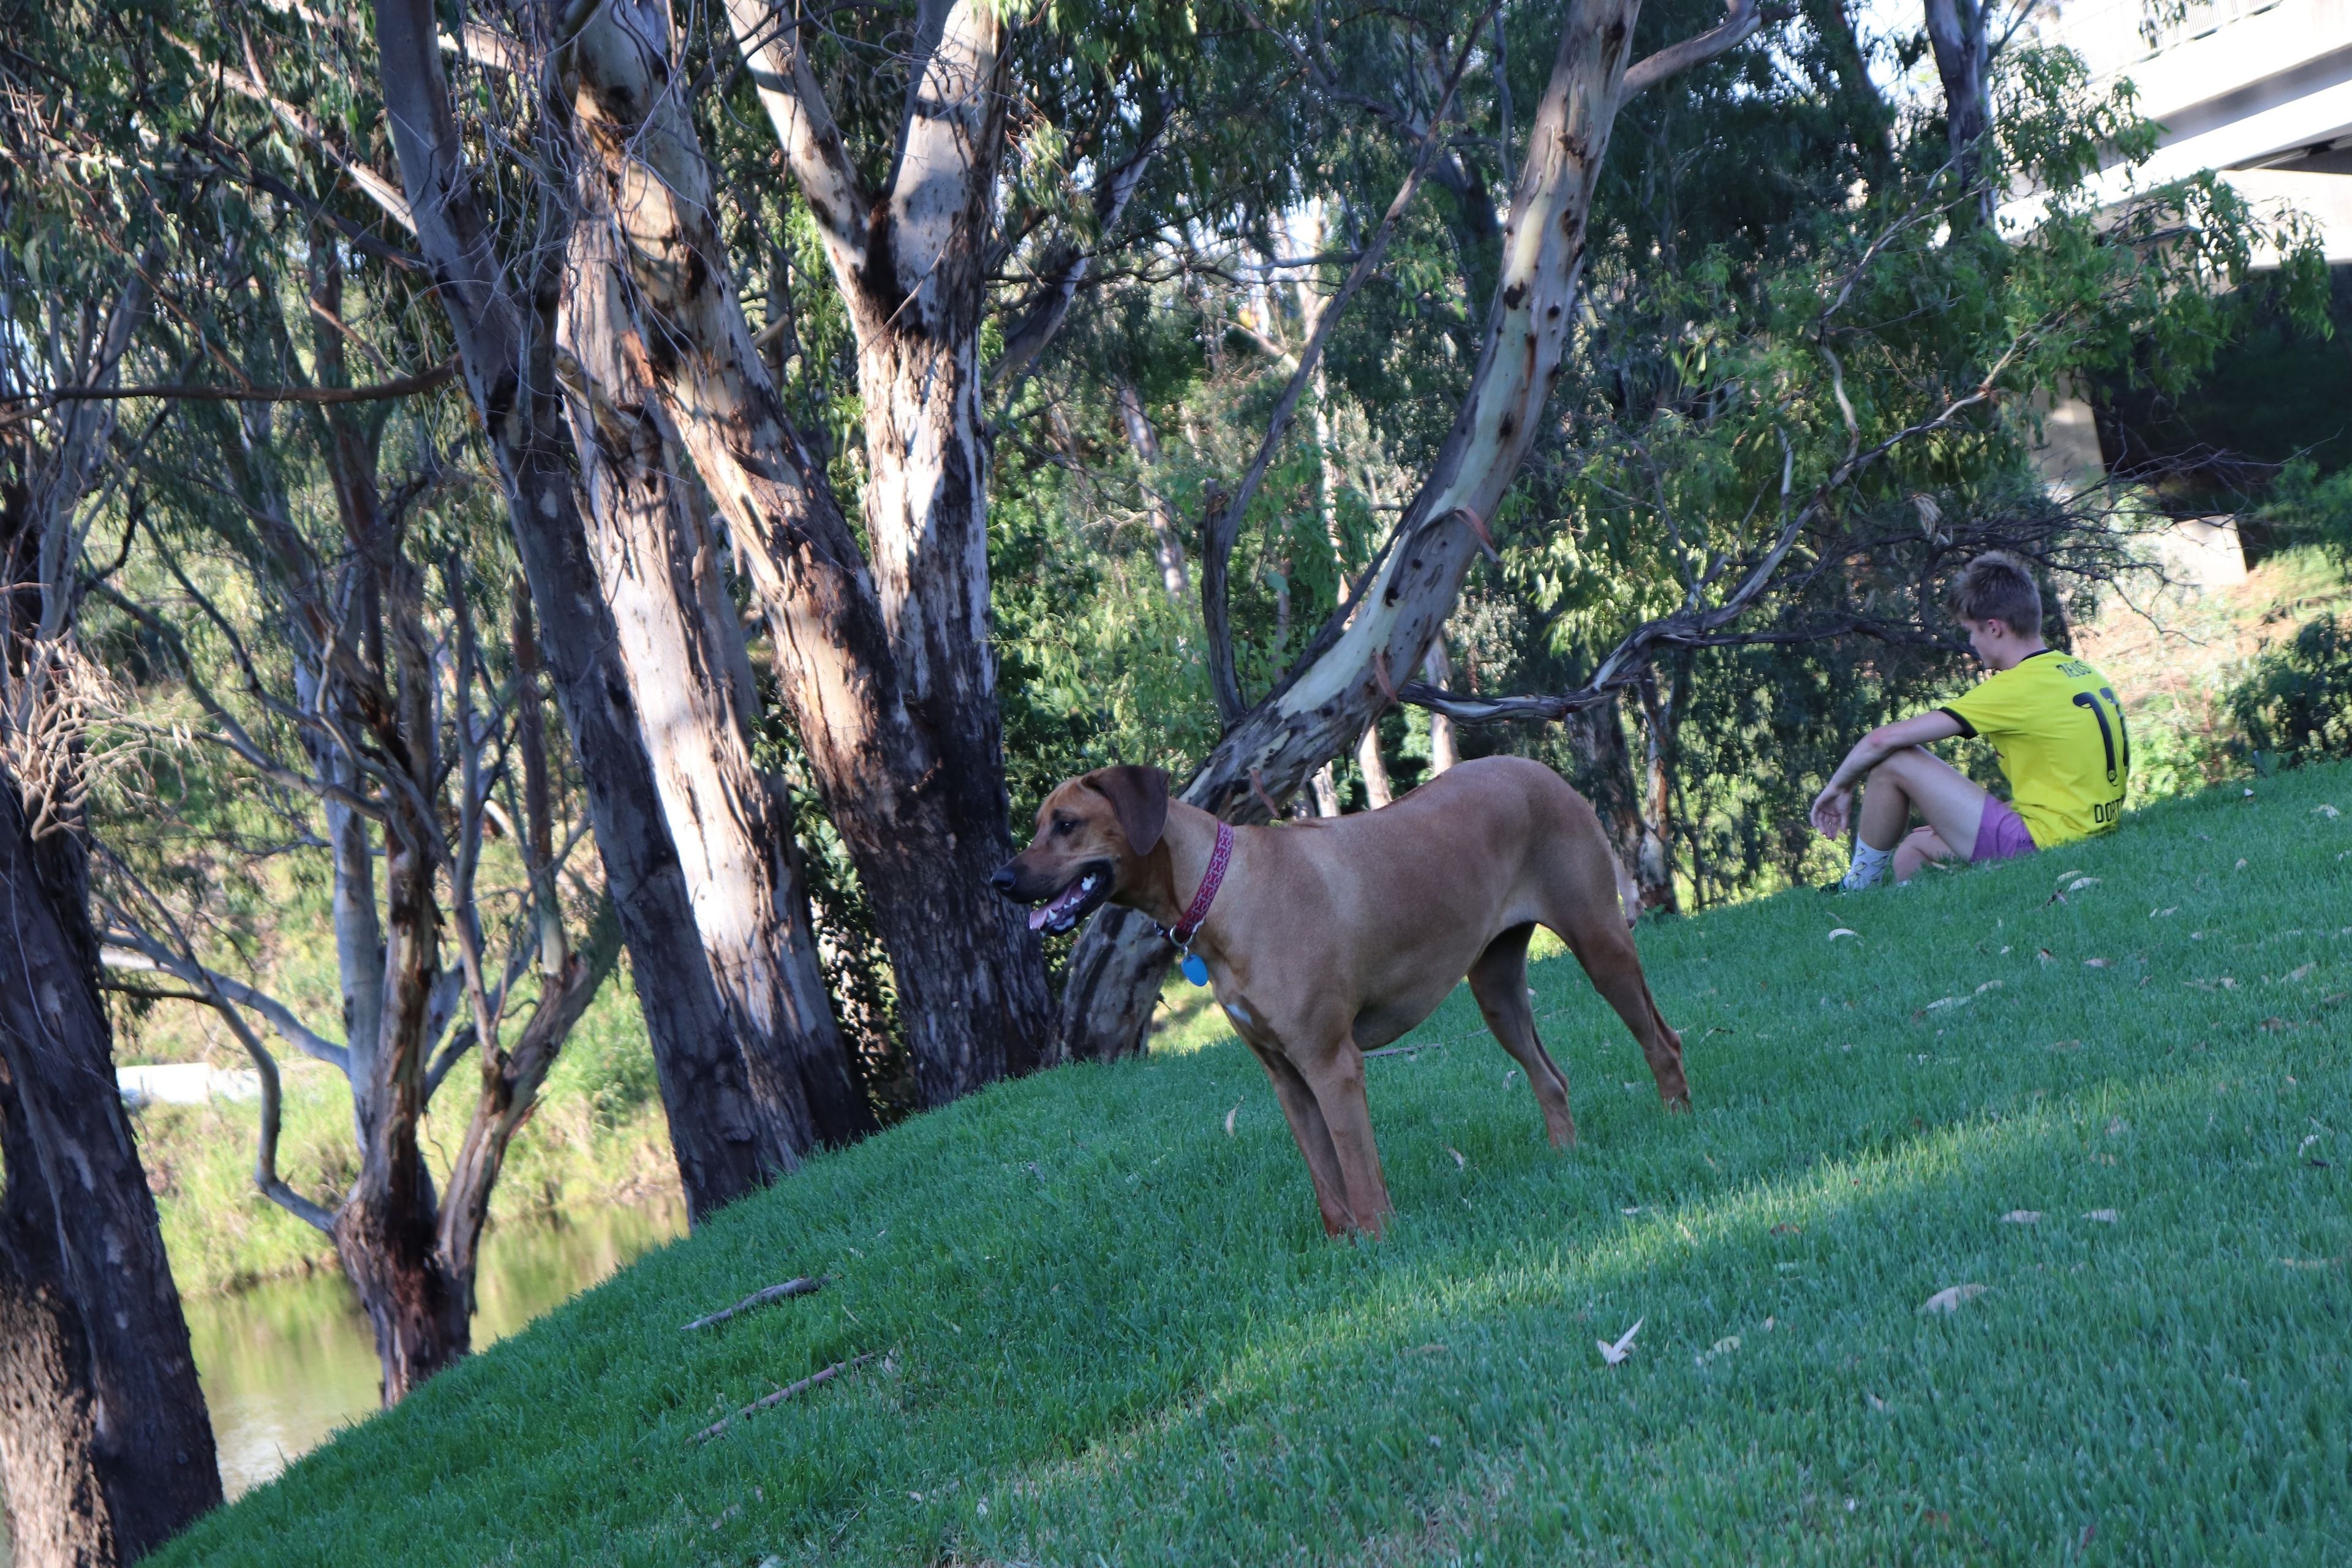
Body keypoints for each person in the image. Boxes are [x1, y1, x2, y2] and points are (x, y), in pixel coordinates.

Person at [1811, 550, 2130, 889]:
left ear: (1994, 628)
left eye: (1971, 631)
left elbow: (1881, 740)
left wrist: (1839, 787)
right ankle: (1919, 906)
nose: (1971, 643)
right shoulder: (2080, 671)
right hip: (2091, 830)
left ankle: (1855, 890)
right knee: (1912, 849)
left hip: (2043, 844)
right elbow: (2071, 783)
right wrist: (1948, 815)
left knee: (1895, 761)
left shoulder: (2017, 686)